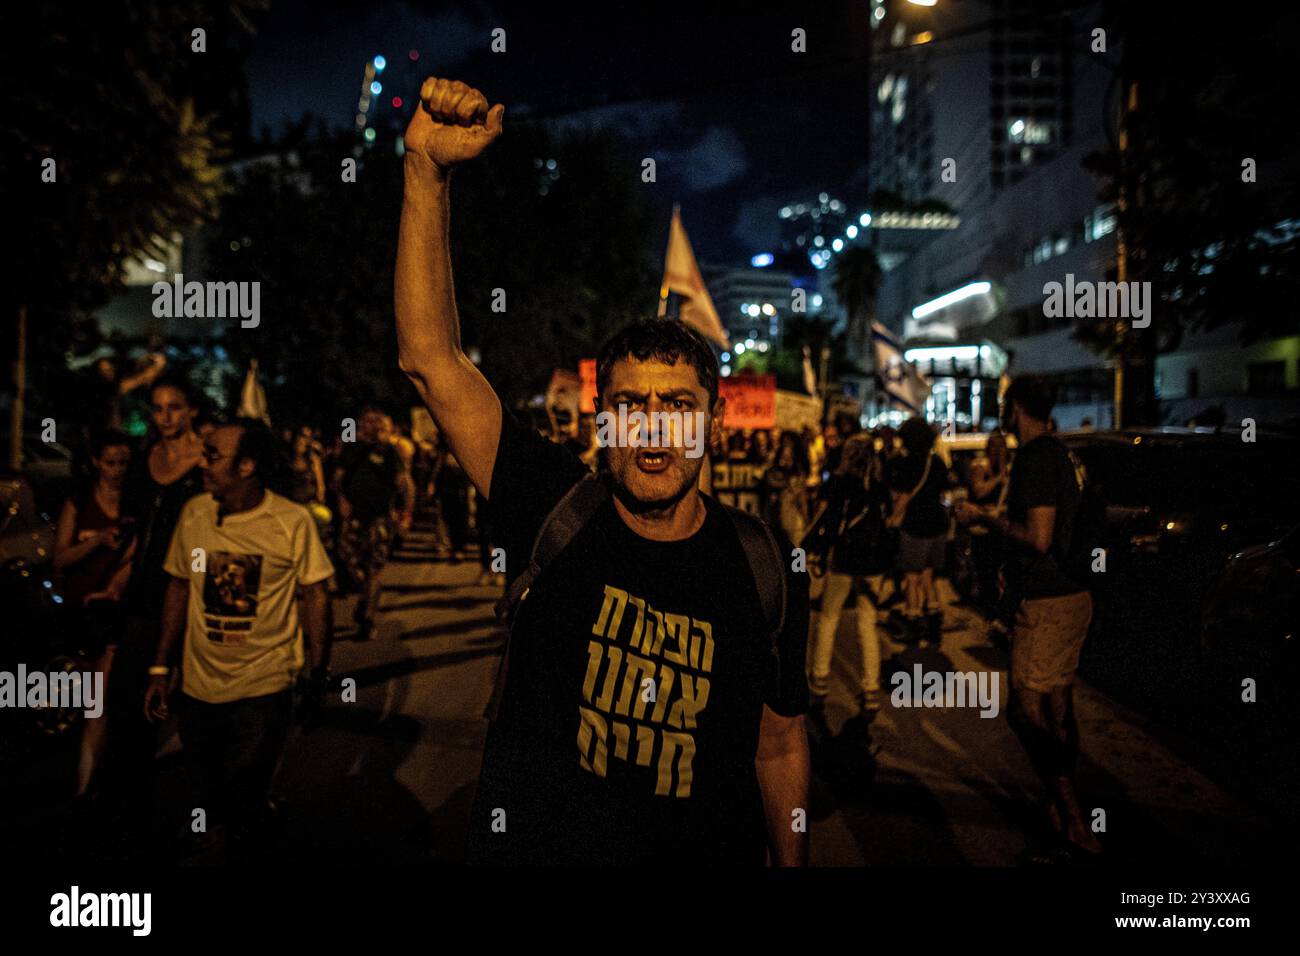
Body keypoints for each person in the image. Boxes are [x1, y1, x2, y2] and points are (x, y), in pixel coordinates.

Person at [395, 76, 810, 866]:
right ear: (603, 420)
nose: (654, 426)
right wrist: (425, 172)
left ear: (712, 424)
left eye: (678, 405)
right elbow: (431, 362)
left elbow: (780, 744)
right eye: (632, 404)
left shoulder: (767, 566)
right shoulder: (556, 507)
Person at [143, 419, 333, 861]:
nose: (202, 464)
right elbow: (177, 587)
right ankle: (222, 830)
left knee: (244, 785)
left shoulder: (291, 521)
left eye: (213, 455)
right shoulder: (194, 513)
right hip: (198, 684)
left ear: (247, 466)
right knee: (205, 781)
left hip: (263, 685)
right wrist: (159, 667)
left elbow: (316, 596)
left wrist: (318, 671)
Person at [955, 375, 1101, 861]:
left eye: (1004, 405)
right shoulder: (1064, 453)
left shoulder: (1037, 457)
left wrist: (983, 518)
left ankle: (1075, 821)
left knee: (1023, 708)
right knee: (1058, 709)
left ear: (1015, 408)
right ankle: (1058, 813)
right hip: (1073, 593)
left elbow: (1038, 537)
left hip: (1047, 603)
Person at [113, 377, 206, 797]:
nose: (166, 416)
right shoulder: (144, 458)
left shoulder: (206, 460)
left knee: (192, 692)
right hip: (145, 586)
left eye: (174, 407)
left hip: (190, 584)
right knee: (132, 689)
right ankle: (132, 789)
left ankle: (207, 792)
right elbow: (137, 531)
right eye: (158, 408)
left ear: (191, 411)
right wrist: (117, 578)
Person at [54, 430, 135, 798]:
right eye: (110, 462)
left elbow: (136, 559)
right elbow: (60, 559)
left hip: (110, 610)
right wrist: (97, 541)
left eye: (123, 463)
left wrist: (117, 585)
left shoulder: (136, 505)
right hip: (78, 608)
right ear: (96, 463)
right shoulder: (79, 501)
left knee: (97, 700)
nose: (117, 470)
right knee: (81, 698)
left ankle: (86, 788)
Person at [804, 433, 893, 714]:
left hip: (845, 558)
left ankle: (819, 681)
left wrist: (810, 550)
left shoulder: (839, 483)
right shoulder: (878, 486)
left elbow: (825, 522)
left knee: (829, 617)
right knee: (867, 623)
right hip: (873, 564)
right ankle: (870, 691)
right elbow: (887, 523)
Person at [334, 407, 411, 640]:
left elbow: (404, 484)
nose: (370, 426)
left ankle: (368, 618)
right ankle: (364, 595)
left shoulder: (389, 452)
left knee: (374, 569)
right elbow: (336, 480)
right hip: (354, 518)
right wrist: (342, 499)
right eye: (366, 422)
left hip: (380, 519)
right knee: (349, 561)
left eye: (375, 422)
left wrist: (405, 513)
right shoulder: (350, 450)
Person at [887, 418, 953, 644]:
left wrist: (892, 518)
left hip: (916, 525)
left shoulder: (908, 463)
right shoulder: (936, 462)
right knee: (928, 576)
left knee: (912, 577)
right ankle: (934, 622)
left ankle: (913, 620)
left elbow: (904, 497)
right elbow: (945, 492)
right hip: (938, 525)